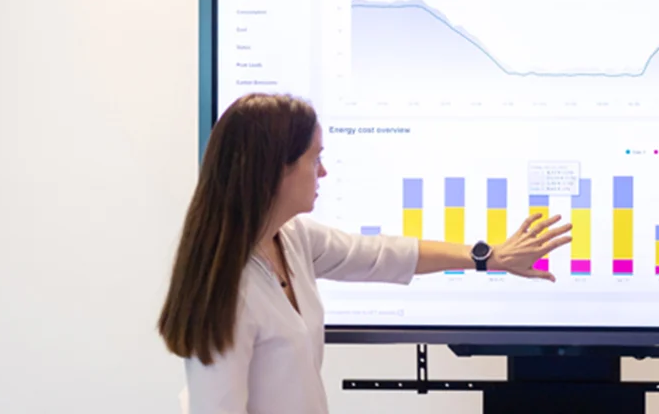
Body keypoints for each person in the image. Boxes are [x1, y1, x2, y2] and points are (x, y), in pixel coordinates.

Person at [157, 92, 571, 414]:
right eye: (314, 158)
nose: (323, 172)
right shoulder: (229, 291)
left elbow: (380, 255)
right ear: (275, 169)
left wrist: (487, 257)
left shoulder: (292, 239)